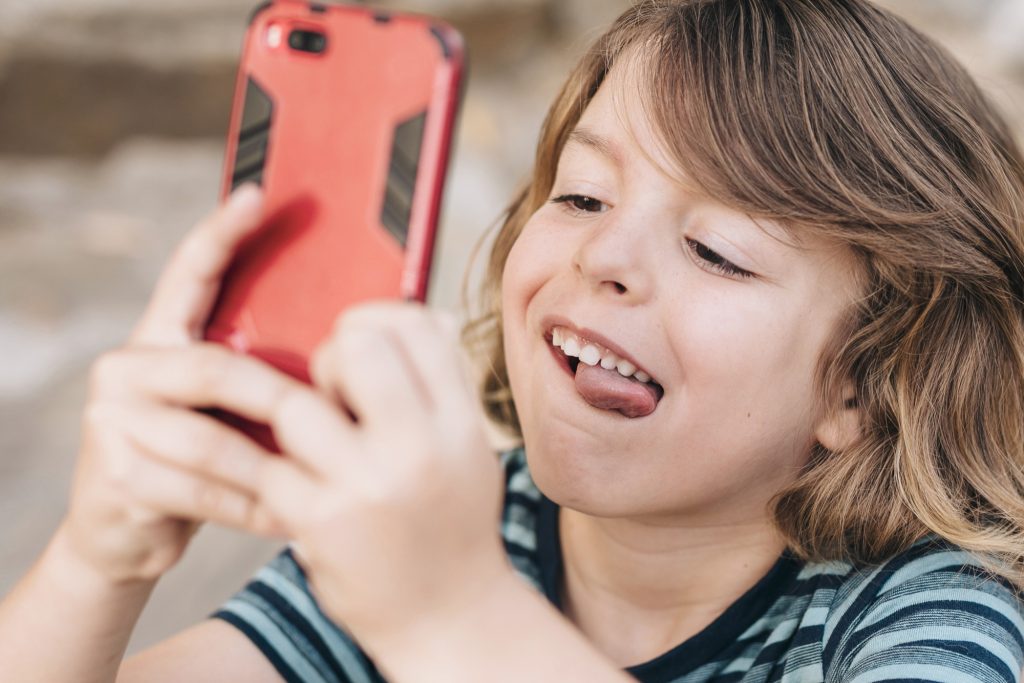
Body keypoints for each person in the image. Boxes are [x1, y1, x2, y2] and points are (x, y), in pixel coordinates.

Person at [2, 0, 1024, 680]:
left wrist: (448, 612)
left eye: (716, 250)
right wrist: (100, 558)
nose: (604, 255)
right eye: (581, 195)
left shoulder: (934, 617)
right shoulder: (465, 529)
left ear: (865, 379)